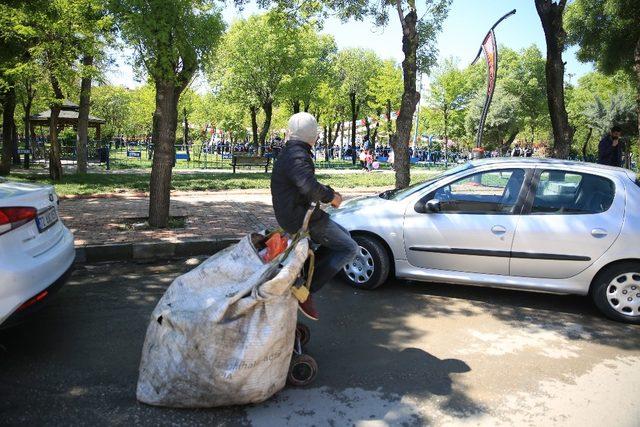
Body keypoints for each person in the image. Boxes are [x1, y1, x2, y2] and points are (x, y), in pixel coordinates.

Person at [270, 112, 359, 321]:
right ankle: (305, 291)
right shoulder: (297, 156)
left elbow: (303, 184)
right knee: (349, 247)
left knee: (343, 237)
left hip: (294, 213)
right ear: (314, 135)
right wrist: (332, 197)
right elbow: (308, 186)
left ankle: (302, 274)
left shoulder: (291, 152)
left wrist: (329, 192)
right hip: (301, 218)